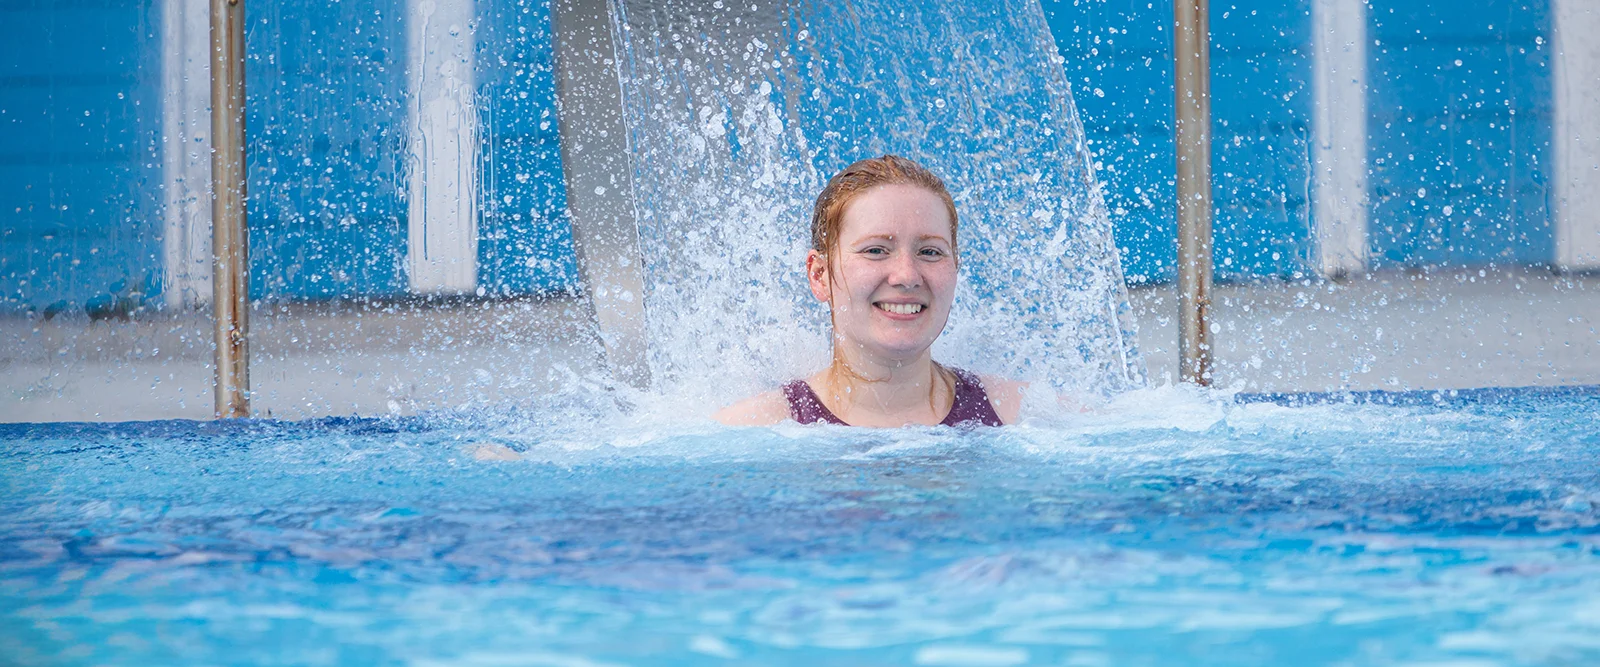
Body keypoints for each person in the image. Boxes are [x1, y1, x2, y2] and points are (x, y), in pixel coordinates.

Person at [714, 155, 1024, 427]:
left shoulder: (1021, 415)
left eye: (930, 252)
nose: (907, 276)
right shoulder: (753, 429)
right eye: (875, 250)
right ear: (820, 275)